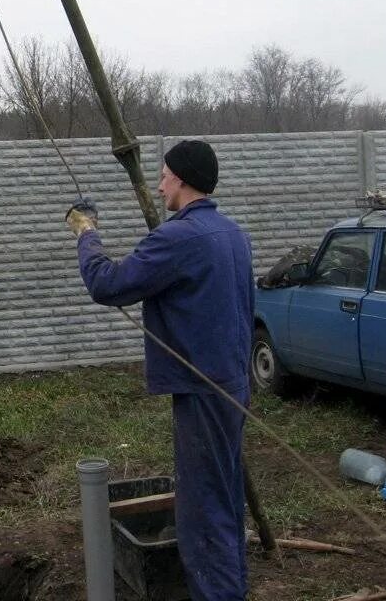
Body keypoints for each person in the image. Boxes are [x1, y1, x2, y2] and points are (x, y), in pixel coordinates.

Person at [66, 139, 253, 601]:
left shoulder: (178, 238)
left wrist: (86, 233)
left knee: (203, 508)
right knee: (225, 495)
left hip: (202, 390)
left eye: (165, 173)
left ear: (184, 179)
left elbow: (107, 284)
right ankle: (233, 586)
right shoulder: (232, 233)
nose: (160, 181)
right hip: (231, 383)